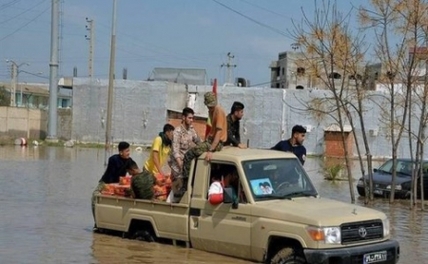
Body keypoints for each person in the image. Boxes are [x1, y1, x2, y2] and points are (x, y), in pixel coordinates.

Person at [176, 92, 227, 198]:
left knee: (189, 155)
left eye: (209, 106)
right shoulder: (213, 111)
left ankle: (186, 185)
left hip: (215, 143)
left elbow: (218, 132)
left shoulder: (218, 111)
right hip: (210, 141)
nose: (209, 109)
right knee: (194, 155)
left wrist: (211, 149)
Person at [92, 141, 133, 230]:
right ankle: (97, 223)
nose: (128, 153)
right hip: (105, 183)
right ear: (121, 152)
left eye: (129, 151)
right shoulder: (113, 159)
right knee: (94, 197)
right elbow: (110, 178)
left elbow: (135, 171)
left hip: (118, 185)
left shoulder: (129, 161)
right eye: (127, 151)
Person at [168, 107, 201, 202]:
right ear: (183, 118)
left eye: (192, 118)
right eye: (189, 118)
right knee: (178, 194)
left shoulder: (191, 130)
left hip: (187, 166)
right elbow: (175, 151)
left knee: (187, 191)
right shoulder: (177, 132)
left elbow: (198, 141)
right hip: (178, 168)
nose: (192, 120)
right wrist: (180, 164)